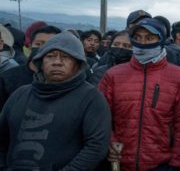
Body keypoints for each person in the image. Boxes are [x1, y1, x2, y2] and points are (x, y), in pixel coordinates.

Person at [0, 31, 111, 170]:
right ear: (41, 62)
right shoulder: (20, 94)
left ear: (77, 64)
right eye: (50, 56)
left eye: (66, 57)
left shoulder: (91, 98)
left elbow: (96, 147)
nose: (57, 62)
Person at [99, 17, 180, 171]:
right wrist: (111, 145)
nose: (142, 43)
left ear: (161, 40)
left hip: (162, 164)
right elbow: (101, 118)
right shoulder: (113, 75)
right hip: (119, 163)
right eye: (137, 38)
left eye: (149, 38)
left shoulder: (178, 76)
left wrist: (176, 163)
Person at [0, 25, 61, 111]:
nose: (45, 48)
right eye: (39, 44)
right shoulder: (7, 78)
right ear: (29, 47)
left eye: (51, 44)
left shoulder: (65, 79)